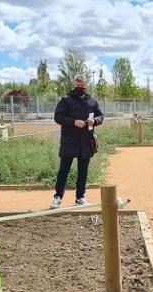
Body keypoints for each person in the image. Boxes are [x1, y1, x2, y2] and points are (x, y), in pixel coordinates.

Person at [50, 75, 104, 209]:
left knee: (83, 171)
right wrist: (74, 122)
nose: (80, 87)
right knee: (64, 170)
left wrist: (95, 121)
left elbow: (101, 116)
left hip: (85, 142)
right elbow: (58, 117)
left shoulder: (92, 101)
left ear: (86, 85)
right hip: (69, 141)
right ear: (74, 84)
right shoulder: (66, 100)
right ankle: (58, 197)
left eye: (83, 85)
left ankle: (80, 197)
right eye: (78, 85)